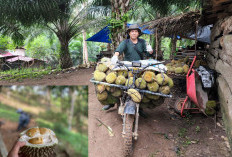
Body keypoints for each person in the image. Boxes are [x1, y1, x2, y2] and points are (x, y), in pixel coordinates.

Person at [102, 24, 153, 111]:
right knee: (118, 84)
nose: (134, 33)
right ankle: (111, 103)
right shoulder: (125, 42)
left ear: (138, 33)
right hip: (127, 66)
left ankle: (140, 108)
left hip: (139, 67)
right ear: (129, 33)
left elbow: (147, 53)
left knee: (141, 86)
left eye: (136, 31)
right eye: (132, 31)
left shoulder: (142, 42)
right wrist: (115, 56)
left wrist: (150, 51)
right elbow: (118, 50)